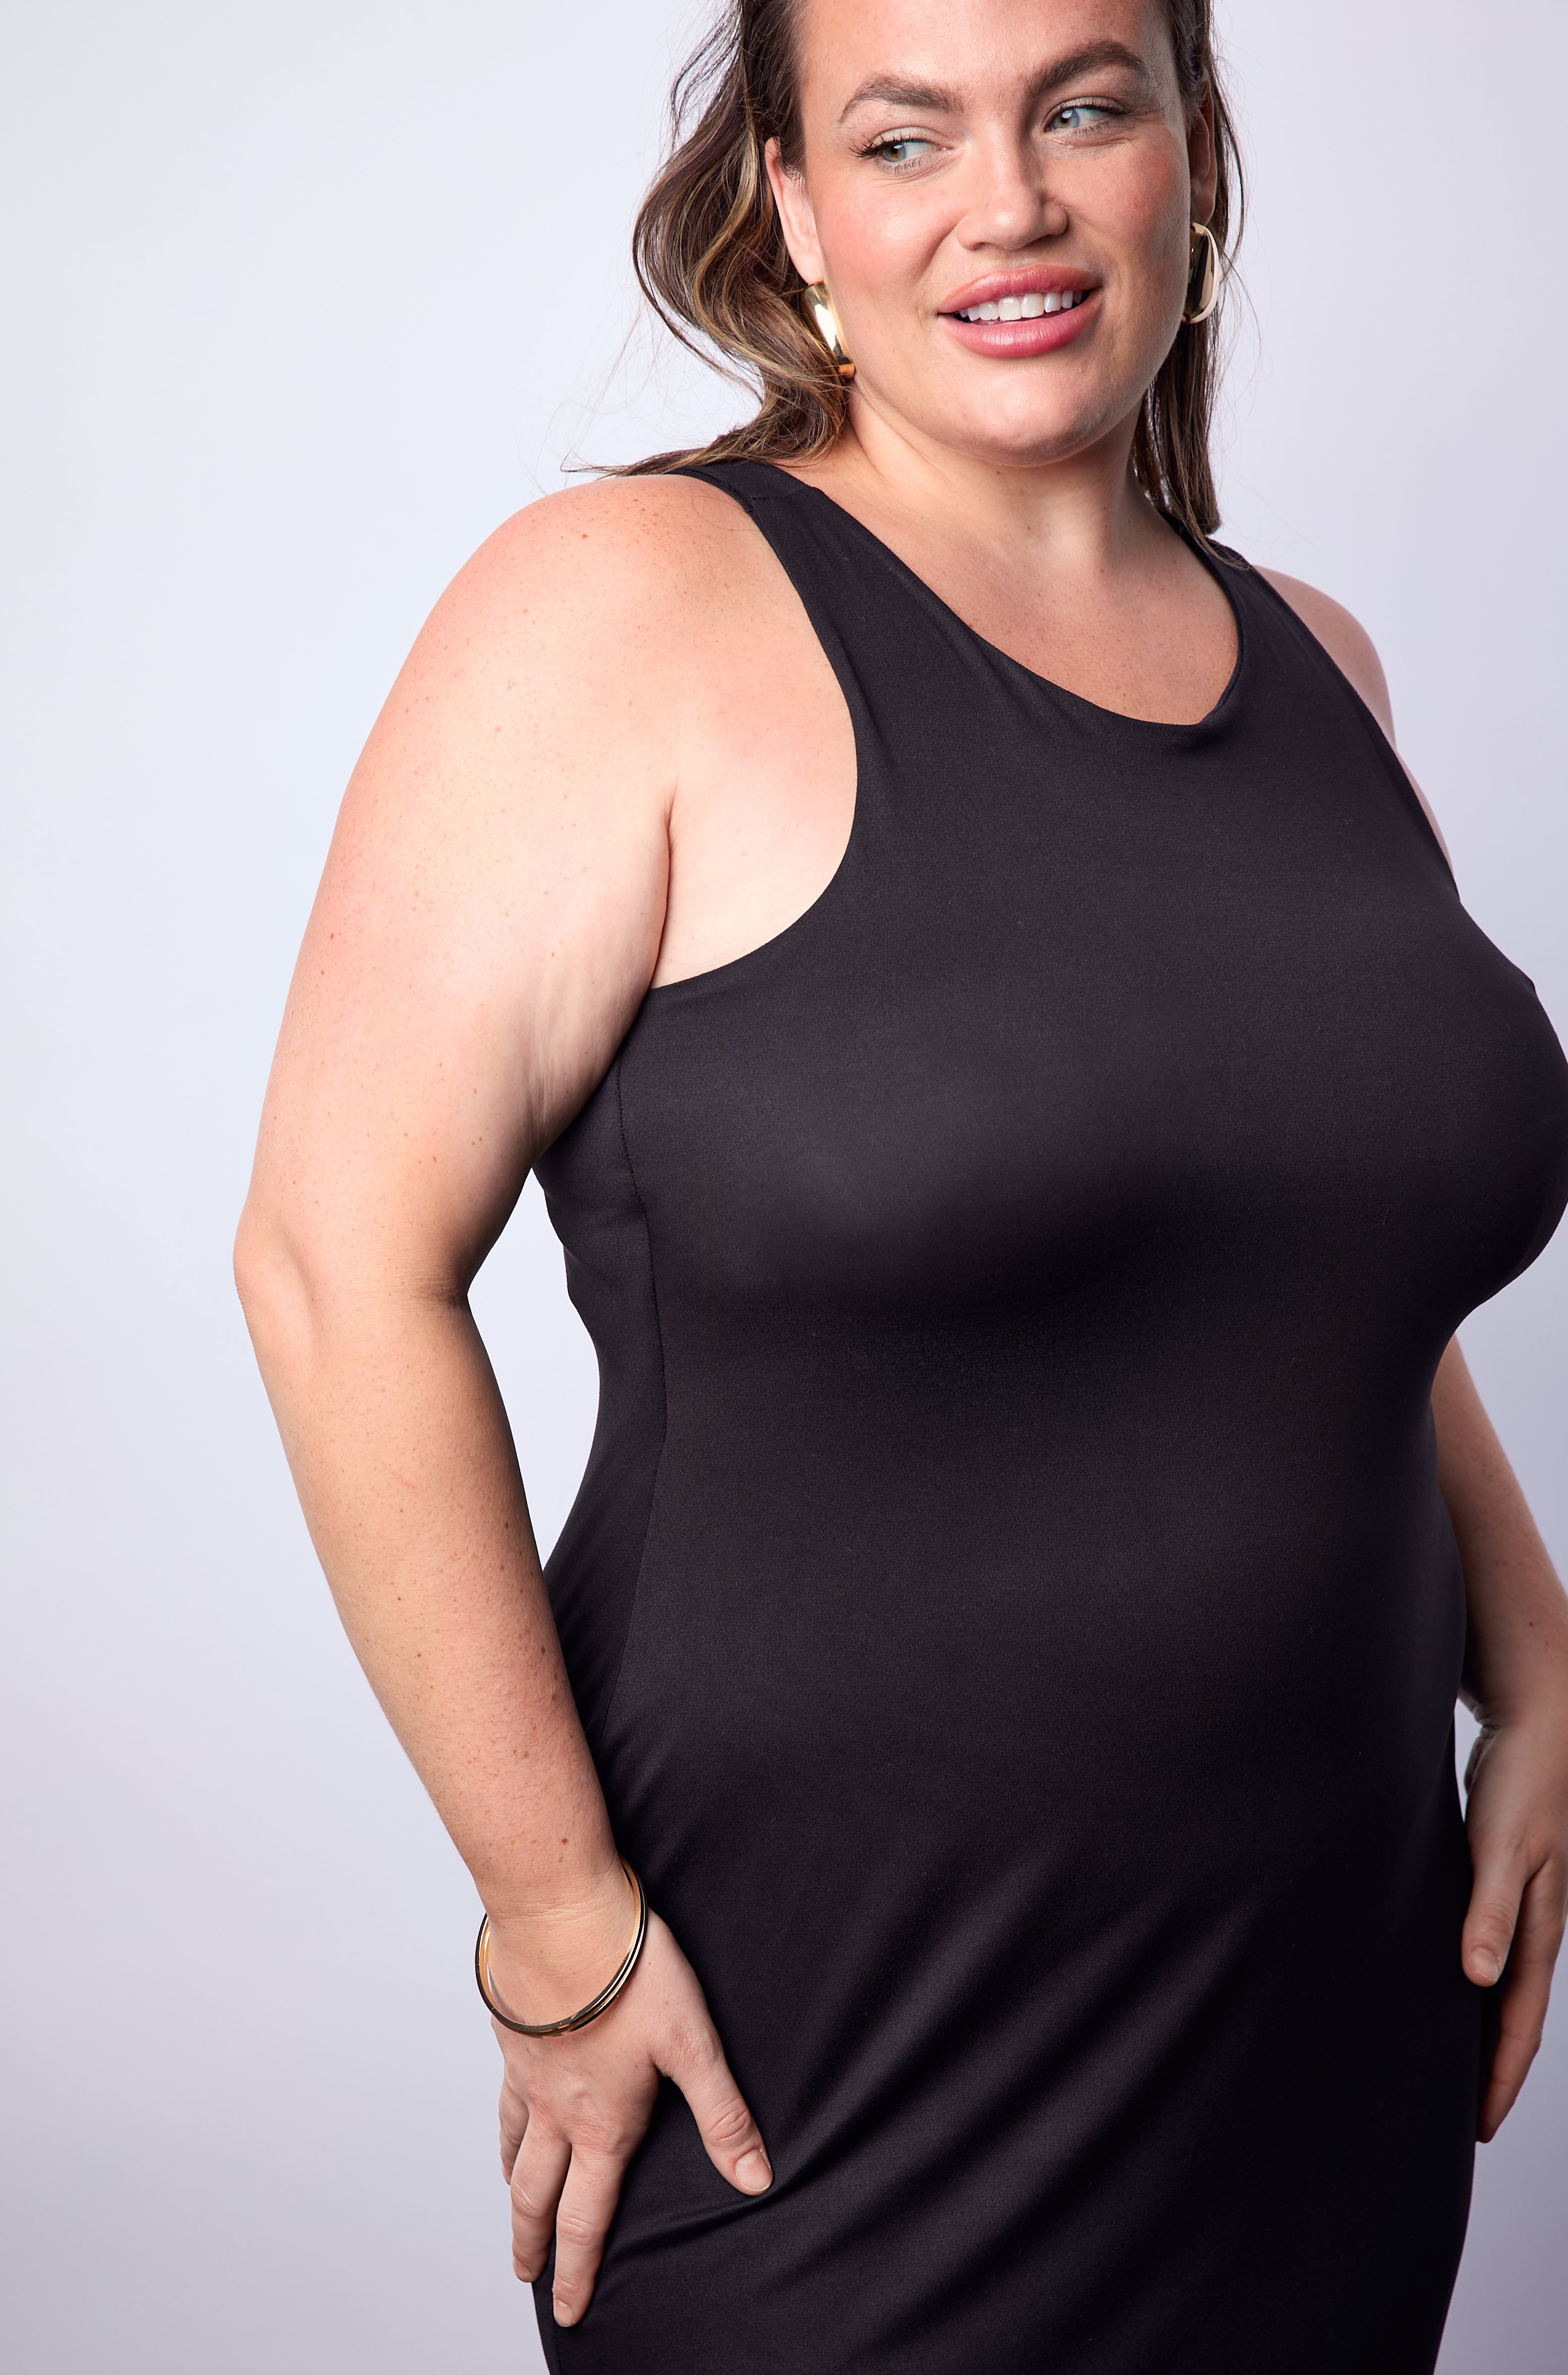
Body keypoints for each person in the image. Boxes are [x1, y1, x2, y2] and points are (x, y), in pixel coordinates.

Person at [234, 1, 1568, 2367]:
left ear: (1186, 143)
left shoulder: (1319, 669)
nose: (1009, 205)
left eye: (1084, 106)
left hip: (1324, 2031)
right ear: (790, 200)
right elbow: (338, 1265)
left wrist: (1538, 1645)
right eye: (903, 136)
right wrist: (553, 1918)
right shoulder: (624, 607)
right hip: (827, 2075)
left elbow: (1299, 1256)